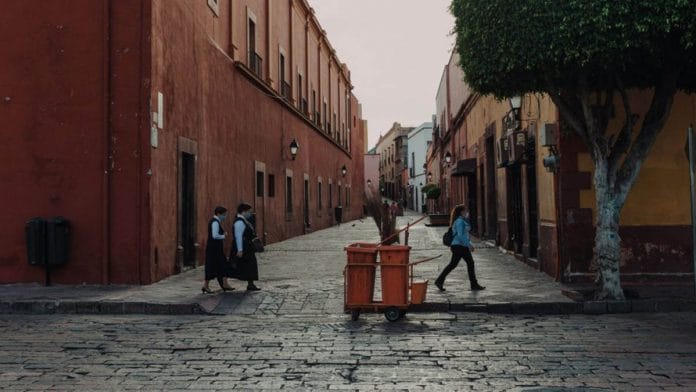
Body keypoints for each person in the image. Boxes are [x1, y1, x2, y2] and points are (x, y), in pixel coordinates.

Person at [434, 204, 485, 291]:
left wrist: (468, 244)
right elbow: (461, 235)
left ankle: (473, 284)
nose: (467, 212)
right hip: (459, 246)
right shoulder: (459, 222)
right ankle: (473, 284)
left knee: (461, 264)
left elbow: (464, 235)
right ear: (461, 212)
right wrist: (469, 245)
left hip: (460, 246)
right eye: (465, 211)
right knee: (460, 264)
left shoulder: (461, 220)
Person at [202, 206, 235, 293]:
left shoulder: (215, 221)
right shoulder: (215, 222)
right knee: (219, 265)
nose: (225, 216)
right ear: (218, 214)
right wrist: (224, 236)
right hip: (214, 249)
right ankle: (208, 285)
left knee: (217, 266)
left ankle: (223, 284)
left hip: (215, 249)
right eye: (224, 215)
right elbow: (215, 235)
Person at [229, 203, 261, 291]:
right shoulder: (239, 222)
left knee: (250, 265)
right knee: (235, 265)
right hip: (243, 247)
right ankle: (224, 281)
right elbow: (238, 236)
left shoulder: (243, 220)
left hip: (247, 247)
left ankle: (251, 284)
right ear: (243, 211)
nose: (250, 214)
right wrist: (240, 250)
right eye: (249, 212)